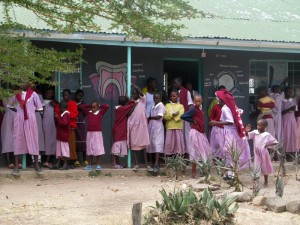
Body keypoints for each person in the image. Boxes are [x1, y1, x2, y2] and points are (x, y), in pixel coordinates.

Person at [209, 89, 251, 177]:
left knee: (228, 151)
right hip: (232, 132)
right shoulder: (231, 106)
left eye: (219, 99)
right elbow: (239, 112)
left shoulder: (225, 108)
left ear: (222, 100)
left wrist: (216, 123)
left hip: (229, 132)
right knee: (231, 151)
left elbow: (230, 121)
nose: (218, 101)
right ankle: (230, 172)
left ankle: (231, 173)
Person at [9, 83, 43, 176]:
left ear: (28, 84)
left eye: (24, 82)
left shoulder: (33, 94)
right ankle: (16, 166)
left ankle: (36, 164)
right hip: (19, 119)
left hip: (30, 120)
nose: (21, 84)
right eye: (20, 82)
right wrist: (19, 113)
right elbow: (11, 106)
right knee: (18, 140)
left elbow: (39, 108)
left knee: (33, 140)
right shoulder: (16, 94)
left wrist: (30, 112)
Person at [181, 94, 211, 178]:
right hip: (195, 132)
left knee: (203, 152)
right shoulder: (193, 109)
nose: (197, 102)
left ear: (201, 101)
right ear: (193, 102)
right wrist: (192, 121)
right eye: (196, 101)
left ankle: (203, 171)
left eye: (199, 101)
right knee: (195, 152)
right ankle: (193, 173)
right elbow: (183, 116)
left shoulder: (200, 109)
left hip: (201, 133)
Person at [245, 120, 278, 187]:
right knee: (256, 166)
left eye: (260, 125)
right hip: (257, 153)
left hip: (264, 153)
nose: (258, 126)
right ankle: (256, 182)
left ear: (265, 126)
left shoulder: (267, 135)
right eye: (258, 125)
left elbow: (275, 142)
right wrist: (246, 131)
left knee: (264, 166)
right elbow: (248, 136)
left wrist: (267, 145)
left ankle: (266, 182)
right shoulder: (255, 132)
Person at [79, 101, 109, 171]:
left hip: (97, 133)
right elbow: (81, 107)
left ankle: (98, 165)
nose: (93, 109)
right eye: (92, 107)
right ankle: (90, 165)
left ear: (98, 107)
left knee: (98, 148)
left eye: (94, 107)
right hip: (90, 133)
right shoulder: (88, 112)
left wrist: (99, 105)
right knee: (90, 148)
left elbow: (106, 106)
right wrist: (90, 105)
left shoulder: (100, 112)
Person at [127, 85, 150, 171]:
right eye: (132, 94)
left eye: (135, 94)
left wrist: (136, 87)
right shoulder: (130, 103)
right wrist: (133, 104)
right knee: (134, 147)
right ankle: (136, 164)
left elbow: (141, 93)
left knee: (143, 146)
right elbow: (128, 114)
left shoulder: (142, 101)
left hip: (142, 127)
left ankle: (146, 164)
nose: (133, 95)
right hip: (133, 127)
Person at [55, 89, 78, 168]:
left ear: (69, 95)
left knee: (70, 146)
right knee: (62, 147)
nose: (64, 96)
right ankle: (62, 162)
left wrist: (63, 114)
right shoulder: (62, 105)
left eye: (66, 95)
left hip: (70, 128)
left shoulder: (73, 103)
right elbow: (57, 111)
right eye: (63, 95)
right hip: (61, 130)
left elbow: (74, 115)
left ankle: (70, 162)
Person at [111, 96, 135, 169]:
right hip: (120, 130)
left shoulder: (118, 108)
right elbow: (133, 104)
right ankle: (114, 164)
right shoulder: (122, 109)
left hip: (118, 129)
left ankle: (118, 163)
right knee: (116, 148)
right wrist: (129, 99)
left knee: (117, 148)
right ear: (125, 103)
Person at [173, 77, 193, 154]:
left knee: (186, 135)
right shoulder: (174, 92)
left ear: (179, 83)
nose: (174, 85)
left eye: (175, 83)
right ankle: (179, 153)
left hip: (185, 117)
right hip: (176, 118)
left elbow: (190, 105)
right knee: (178, 135)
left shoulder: (186, 92)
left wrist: (190, 117)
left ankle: (187, 154)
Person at [147, 92, 166, 172]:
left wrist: (150, 117)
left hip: (158, 127)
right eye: (154, 98)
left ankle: (156, 164)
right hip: (151, 126)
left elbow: (159, 117)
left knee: (157, 144)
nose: (155, 99)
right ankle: (152, 163)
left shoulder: (161, 106)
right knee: (151, 144)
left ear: (160, 98)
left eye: (157, 98)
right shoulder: (152, 106)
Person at [164, 90, 185, 155]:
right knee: (169, 143)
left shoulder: (181, 106)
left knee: (178, 143)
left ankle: (178, 158)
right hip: (170, 127)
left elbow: (181, 116)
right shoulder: (167, 106)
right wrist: (173, 115)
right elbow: (165, 116)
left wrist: (172, 117)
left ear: (178, 96)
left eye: (174, 96)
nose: (172, 97)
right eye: (171, 96)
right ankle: (169, 157)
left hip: (178, 127)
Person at [53, 101, 71, 170]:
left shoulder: (66, 114)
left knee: (64, 151)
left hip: (64, 136)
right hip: (60, 136)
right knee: (59, 150)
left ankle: (65, 164)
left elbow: (64, 123)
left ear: (61, 107)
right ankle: (58, 163)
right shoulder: (63, 114)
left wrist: (58, 117)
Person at [42, 88, 57, 168]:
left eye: (50, 93)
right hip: (44, 123)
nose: (48, 94)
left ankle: (48, 160)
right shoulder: (42, 102)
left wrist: (55, 105)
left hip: (52, 124)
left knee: (51, 141)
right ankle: (42, 161)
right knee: (44, 141)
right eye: (47, 92)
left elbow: (58, 111)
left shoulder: (54, 103)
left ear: (53, 94)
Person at [1, 96, 17, 169]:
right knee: (7, 138)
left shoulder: (20, 96)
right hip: (8, 118)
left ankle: (17, 161)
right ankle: (9, 162)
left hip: (17, 118)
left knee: (17, 139)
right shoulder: (5, 97)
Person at [282, 86, 297, 157]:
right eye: (289, 91)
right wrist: (289, 109)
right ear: (285, 92)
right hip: (285, 119)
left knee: (292, 135)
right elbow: (281, 112)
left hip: (292, 120)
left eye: (291, 92)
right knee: (285, 135)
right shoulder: (282, 100)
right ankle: (284, 151)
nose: (290, 93)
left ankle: (292, 151)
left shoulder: (294, 100)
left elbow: (296, 110)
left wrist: (294, 109)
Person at [74, 89, 88, 167]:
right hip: (74, 124)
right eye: (78, 95)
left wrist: (80, 108)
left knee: (83, 141)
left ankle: (85, 159)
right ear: (76, 95)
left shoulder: (83, 104)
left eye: (81, 96)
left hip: (81, 124)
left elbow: (85, 112)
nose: (79, 97)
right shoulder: (72, 103)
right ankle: (76, 160)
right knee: (75, 141)